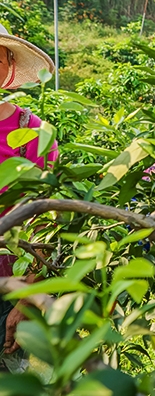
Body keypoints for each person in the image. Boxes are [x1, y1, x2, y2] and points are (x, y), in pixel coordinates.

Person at [0, 23, 58, 358]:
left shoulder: (33, 133)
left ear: (8, 66)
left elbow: (49, 222)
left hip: (11, 286)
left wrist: (26, 300)